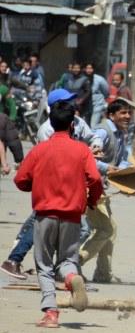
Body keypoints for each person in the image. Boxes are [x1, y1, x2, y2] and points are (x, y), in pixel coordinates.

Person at [14, 101, 103, 328]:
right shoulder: (82, 150)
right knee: (67, 260)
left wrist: (37, 186)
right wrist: (91, 200)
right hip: (73, 215)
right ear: (73, 124)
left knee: (43, 264)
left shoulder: (39, 149)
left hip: (45, 214)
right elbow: (95, 179)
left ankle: (51, 313)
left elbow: (20, 180)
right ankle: (73, 278)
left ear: (51, 123)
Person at [0, 89, 102, 281]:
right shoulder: (47, 130)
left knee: (40, 224)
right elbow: (49, 158)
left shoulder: (78, 122)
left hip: (65, 186)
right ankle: (62, 270)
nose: (73, 105)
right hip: (55, 186)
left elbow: (91, 137)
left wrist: (93, 147)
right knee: (66, 227)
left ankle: (24, 262)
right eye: (68, 102)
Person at [79, 99, 131, 283]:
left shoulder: (122, 133)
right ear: (111, 114)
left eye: (128, 113)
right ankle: (75, 263)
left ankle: (103, 274)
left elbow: (123, 159)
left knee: (111, 230)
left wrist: (126, 176)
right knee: (105, 229)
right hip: (89, 187)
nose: (127, 116)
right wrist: (106, 167)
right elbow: (89, 157)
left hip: (100, 187)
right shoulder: (102, 131)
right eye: (123, 113)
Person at [84, 63, 109, 128]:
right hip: (86, 107)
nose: (89, 70)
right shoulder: (83, 79)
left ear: (93, 69)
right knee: (86, 126)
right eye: (87, 68)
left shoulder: (99, 79)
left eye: (90, 68)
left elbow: (106, 91)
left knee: (93, 126)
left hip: (97, 105)